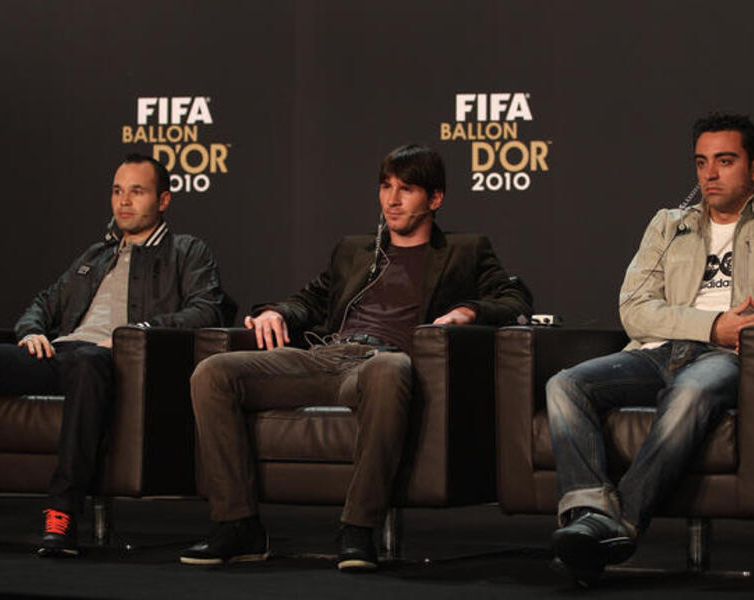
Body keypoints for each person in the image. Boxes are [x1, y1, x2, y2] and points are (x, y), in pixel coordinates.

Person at [181, 143, 532, 570]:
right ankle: (238, 525)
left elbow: (515, 298)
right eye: (386, 187)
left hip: (383, 364)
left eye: (406, 189)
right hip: (327, 356)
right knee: (212, 373)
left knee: (389, 368)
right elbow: (310, 299)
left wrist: (468, 310)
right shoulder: (355, 250)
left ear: (435, 199)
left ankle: (358, 528)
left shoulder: (466, 249)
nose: (392, 199)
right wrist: (276, 311)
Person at [544, 113, 754, 586]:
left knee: (690, 391)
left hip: (733, 359)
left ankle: (622, 523)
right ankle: (588, 515)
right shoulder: (669, 225)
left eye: (725, 161)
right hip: (658, 350)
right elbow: (634, 307)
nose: (710, 174)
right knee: (565, 384)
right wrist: (714, 324)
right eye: (702, 162)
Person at [0, 154, 231, 558]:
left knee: (88, 363)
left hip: (112, 361)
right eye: (117, 191)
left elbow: (207, 309)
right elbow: (44, 302)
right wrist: (32, 331)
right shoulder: (95, 256)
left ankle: (62, 512)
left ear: (163, 200)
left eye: (136, 192)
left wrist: (132, 336)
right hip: (60, 354)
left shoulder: (186, 251)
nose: (124, 201)